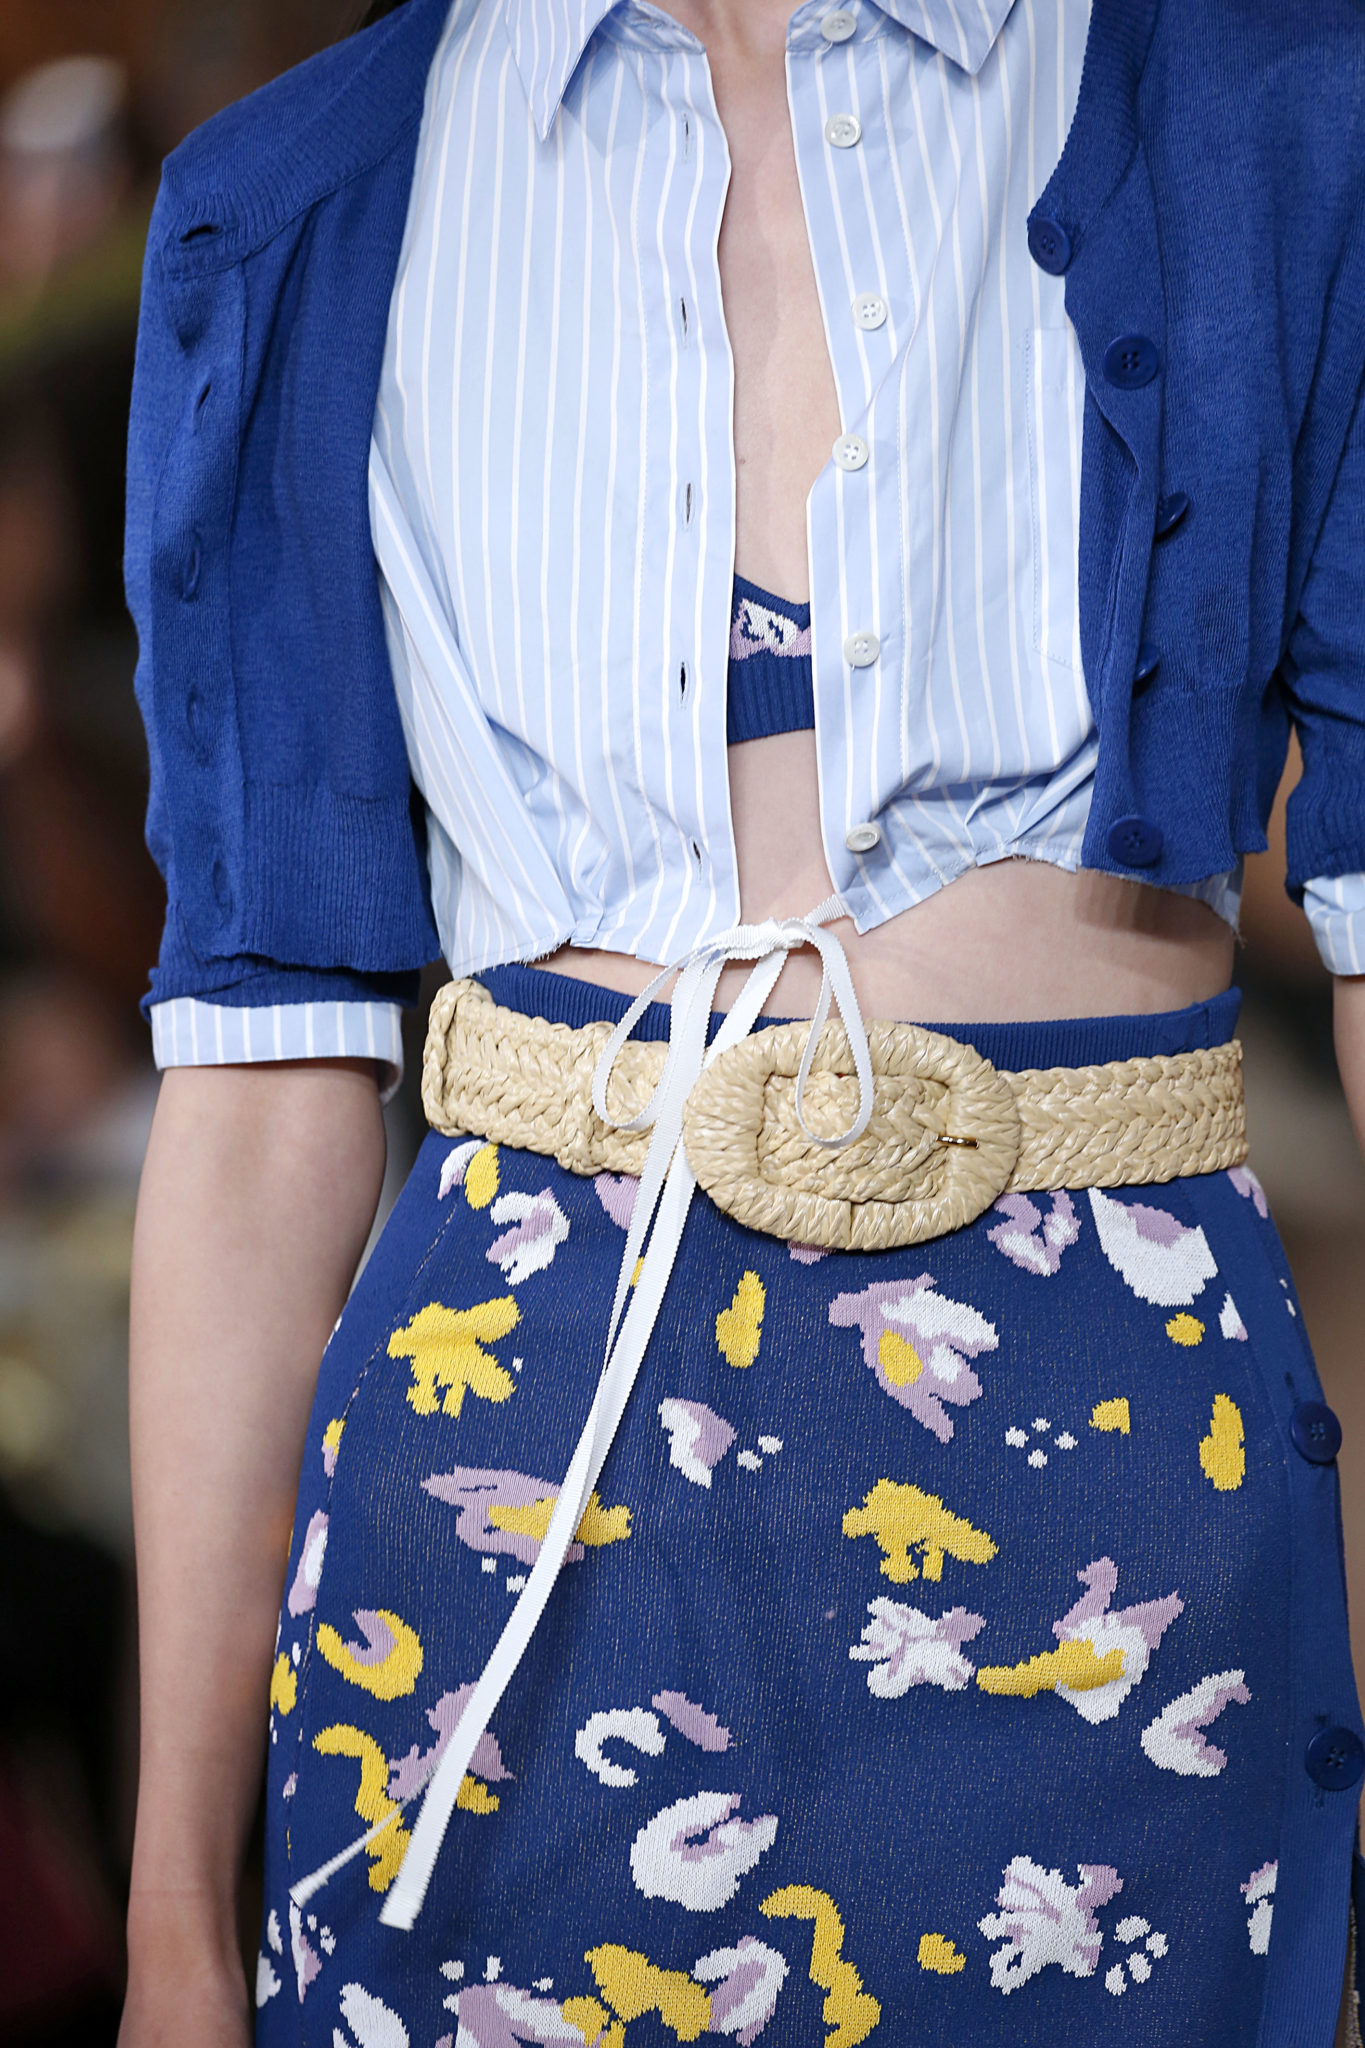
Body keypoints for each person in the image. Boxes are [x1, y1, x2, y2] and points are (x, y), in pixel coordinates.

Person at [117, 1, 1365, 2043]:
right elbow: (258, 1079)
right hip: (504, 1477)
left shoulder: (1266, 105)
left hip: (1109, 1488)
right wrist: (174, 1915)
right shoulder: (298, 198)